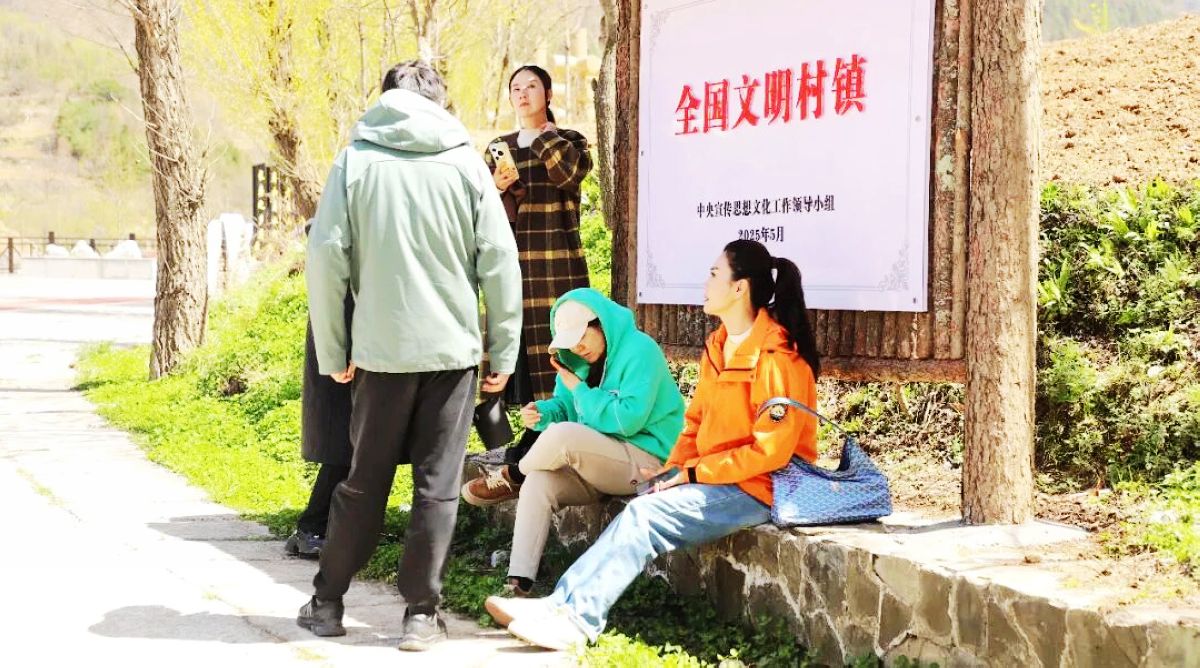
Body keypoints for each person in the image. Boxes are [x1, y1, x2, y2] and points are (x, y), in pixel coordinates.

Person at [484, 240, 821, 650]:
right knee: (643, 506)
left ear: (739, 288)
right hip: (718, 477)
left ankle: (574, 619)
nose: (706, 282)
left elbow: (771, 453)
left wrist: (693, 472)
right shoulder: (719, 346)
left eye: (714, 274)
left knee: (644, 515)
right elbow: (695, 424)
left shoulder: (778, 357)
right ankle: (557, 606)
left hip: (761, 486)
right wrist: (673, 469)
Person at [298, 60, 523, 652]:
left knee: (363, 480)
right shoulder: (466, 163)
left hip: (380, 353)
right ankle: (421, 615)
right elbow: (499, 258)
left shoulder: (355, 161)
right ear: (439, 103)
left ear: (386, 99)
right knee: (437, 486)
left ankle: (327, 602)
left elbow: (326, 256)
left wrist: (333, 348)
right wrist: (503, 349)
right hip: (452, 353)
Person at [462, 288, 684, 599]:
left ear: (601, 324)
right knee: (539, 481)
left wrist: (578, 389)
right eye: (570, 341)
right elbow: (566, 408)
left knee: (563, 436)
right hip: (597, 463)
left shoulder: (640, 350)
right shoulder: (573, 358)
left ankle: (514, 475)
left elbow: (627, 420)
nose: (577, 347)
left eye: (581, 337)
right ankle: (519, 583)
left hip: (645, 462)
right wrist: (543, 413)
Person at [466, 64, 593, 489]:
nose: (523, 94)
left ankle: (564, 430)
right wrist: (498, 187)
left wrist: (541, 136)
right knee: (512, 350)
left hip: (556, 262)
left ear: (549, 94)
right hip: (509, 264)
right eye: (516, 88)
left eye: (532, 86)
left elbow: (568, 174)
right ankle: (525, 433)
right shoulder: (498, 148)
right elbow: (480, 210)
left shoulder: (569, 140)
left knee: (560, 347)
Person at [284, 291, 353, 558]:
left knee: (358, 442)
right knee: (344, 442)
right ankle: (311, 527)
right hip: (341, 340)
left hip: (362, 334)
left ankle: (325, 525)